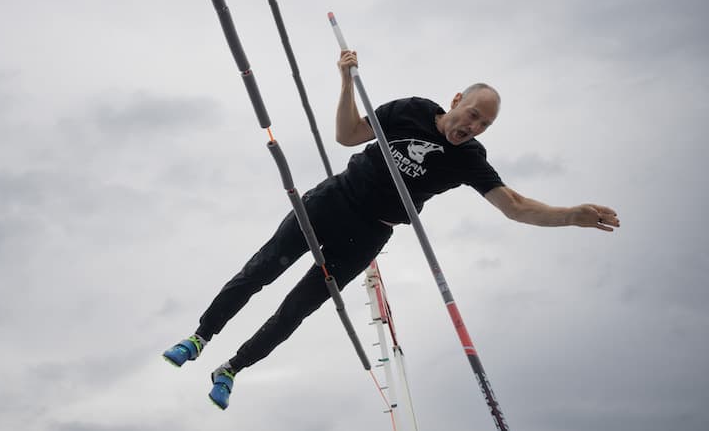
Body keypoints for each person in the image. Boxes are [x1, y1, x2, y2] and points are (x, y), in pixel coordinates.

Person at [162, 50, 620, 409]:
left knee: (296, 310)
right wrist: (345, 81)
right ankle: (201, 336)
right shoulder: (412, 110)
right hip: (330, 201)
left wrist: (571, 215)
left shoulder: (468, 160)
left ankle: (231, 369)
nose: (473, 125)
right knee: (260, 271)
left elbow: (516, 208)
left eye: (485, 123)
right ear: (457, 100)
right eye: (473, 113)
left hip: (367, 234)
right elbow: (347, 134)